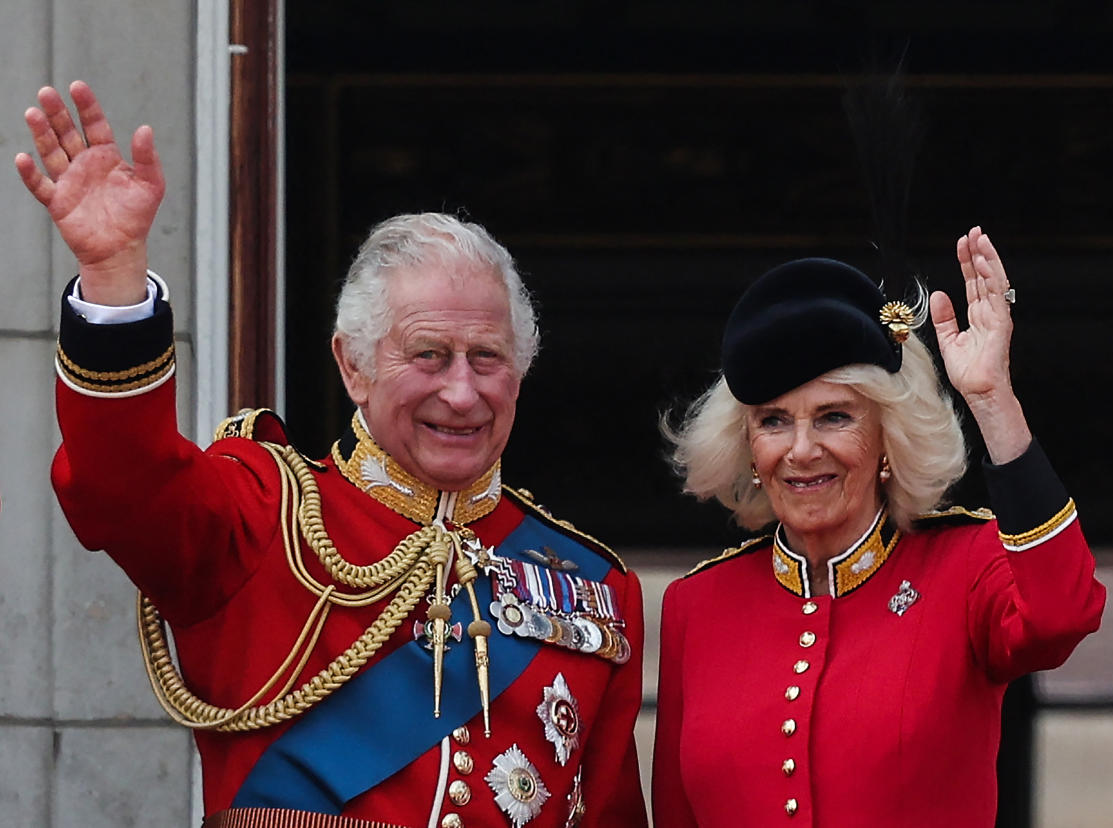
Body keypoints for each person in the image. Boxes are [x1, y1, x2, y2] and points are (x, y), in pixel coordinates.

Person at [17, 80, 647, 828]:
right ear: (353, 366)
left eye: (488, 357)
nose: (461, 391)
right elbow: (122, 484)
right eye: (428, 354)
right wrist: (115, 279)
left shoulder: (594, 588)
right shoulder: (259, 517)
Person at [652, 237, 1106, 827]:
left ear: (889, 437)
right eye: (774, 422)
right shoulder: (698, 605)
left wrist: (993, 401)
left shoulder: (964, 567)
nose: (802, 450)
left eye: (835, 416)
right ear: (747, 446)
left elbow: (1062, 615)